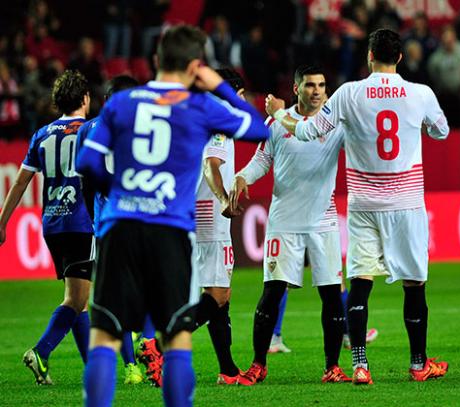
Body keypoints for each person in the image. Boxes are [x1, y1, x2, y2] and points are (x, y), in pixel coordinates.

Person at [76, 24, 269, 407]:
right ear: (196, 65)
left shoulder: (122, 102)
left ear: (155, 61)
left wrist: (121, 192)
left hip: (121, 225)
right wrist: (218, 85)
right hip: (170, 229)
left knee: (104, 335)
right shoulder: (200, 105)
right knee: (178, 336)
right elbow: (254, 124)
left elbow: (87, 163)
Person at [264, 28, 450, 385]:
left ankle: (360, 365)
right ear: (399, 57)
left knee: (361, 281)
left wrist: (278, 114)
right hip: (406, 203)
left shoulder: (349, 93)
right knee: (415, 284)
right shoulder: (420, 93)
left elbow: (307, 132)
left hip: (364, 202)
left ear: (369, 56)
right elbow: (441, 131)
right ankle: (417, 364)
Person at [231, 65, 350, 385]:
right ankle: (258, 364)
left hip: (323, 222)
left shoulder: (335, 124)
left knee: (330, 296)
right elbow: (262, 160)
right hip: (284, 222)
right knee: (271, 293)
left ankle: (332, 366)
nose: (317, 91)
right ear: (296, 88)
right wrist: (243, 176)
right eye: (310, 85)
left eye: (322, 85)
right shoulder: (276, 124)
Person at [0, 70, 94, 385]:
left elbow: (20, 183)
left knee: (78, 299)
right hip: (83, 222)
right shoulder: (92, 130)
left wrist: (2, 223)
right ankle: (40, 351)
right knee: (76, 299)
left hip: (53, 223)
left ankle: (92, 367)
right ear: (84, 99)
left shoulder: (41, 134)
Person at [75, 74, 146, 386]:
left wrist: (93, 217)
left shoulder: (88, 130)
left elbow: (85, 179)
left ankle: (133, 363)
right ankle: (141, 354)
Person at [191, 66, 245, 385]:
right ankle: (162, 343)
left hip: (197, 213)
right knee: (219, 294)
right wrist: (224, 198)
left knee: (218, 297)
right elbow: (212, 166)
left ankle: (227, 370)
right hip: (212, 215)